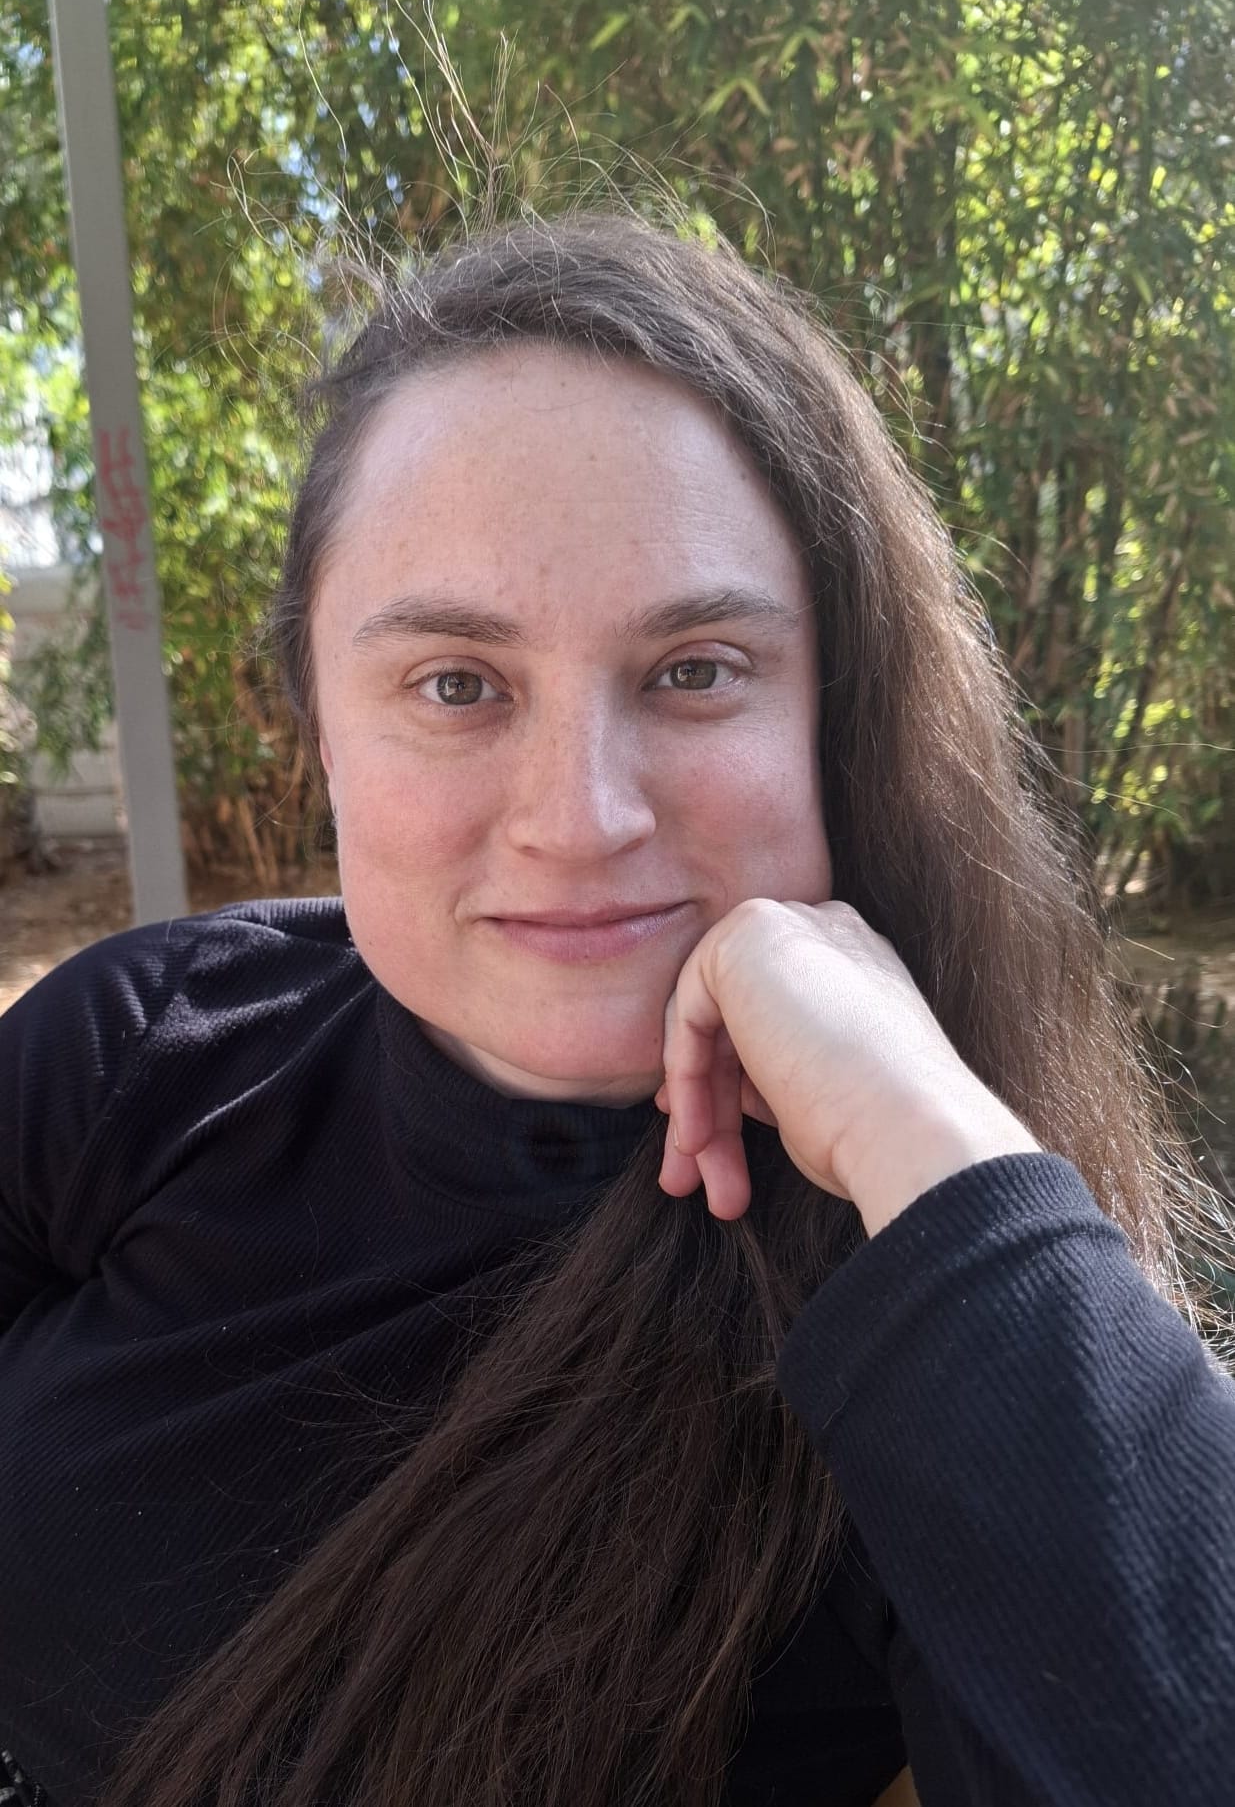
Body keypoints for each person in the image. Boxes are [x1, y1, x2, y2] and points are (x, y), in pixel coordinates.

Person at [1, 209, 1232, 1807]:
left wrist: (928, 1140)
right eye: (458, 683)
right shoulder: (148, 1038)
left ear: (839, 715)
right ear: (319, 724)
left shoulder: (924, 1323)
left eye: (695, 669)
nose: (580, 819)